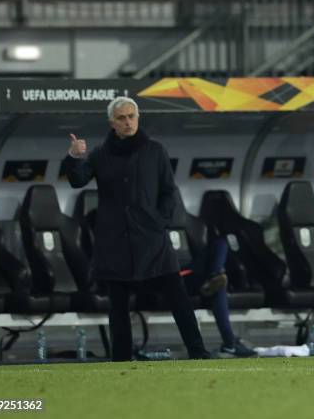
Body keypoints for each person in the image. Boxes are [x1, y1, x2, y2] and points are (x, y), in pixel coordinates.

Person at [65, 96, 210, 361]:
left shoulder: (154, 150)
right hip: (115, 242)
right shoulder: (100, 154)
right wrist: (75, 157)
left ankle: (198, 352)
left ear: (138, 117)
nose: (128, 121)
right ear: (112, 123)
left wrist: (159, 221)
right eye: (121, 118)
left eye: (131, 116)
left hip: (152, 239)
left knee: (179, 298)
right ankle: (120, 359)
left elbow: (169, 191)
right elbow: (78, 180)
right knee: (118, 306)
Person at [181, 235, 256, 358]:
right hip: (178, 277)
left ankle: (215, 275)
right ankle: (229, 343)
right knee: (220, 244)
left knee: (220, 243)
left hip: (196, 279)